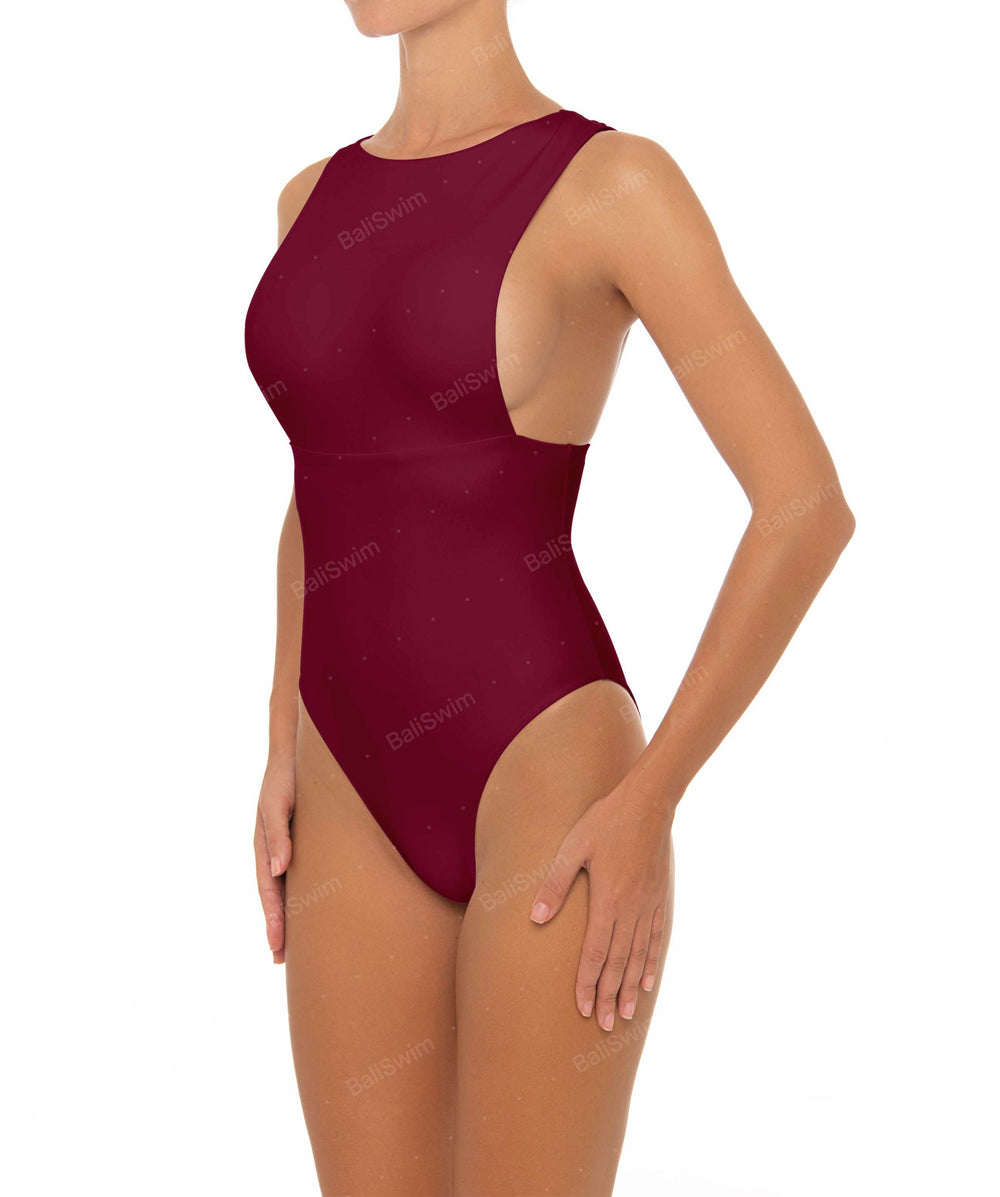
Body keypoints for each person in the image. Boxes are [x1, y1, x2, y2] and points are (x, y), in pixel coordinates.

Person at [244, 2, 856, 1192]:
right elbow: (321, 485)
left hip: (546, 772)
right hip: (345, 773)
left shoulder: (611, 184)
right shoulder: (308, 199)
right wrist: (280, 738)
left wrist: (650, 799)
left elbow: (803, 504)